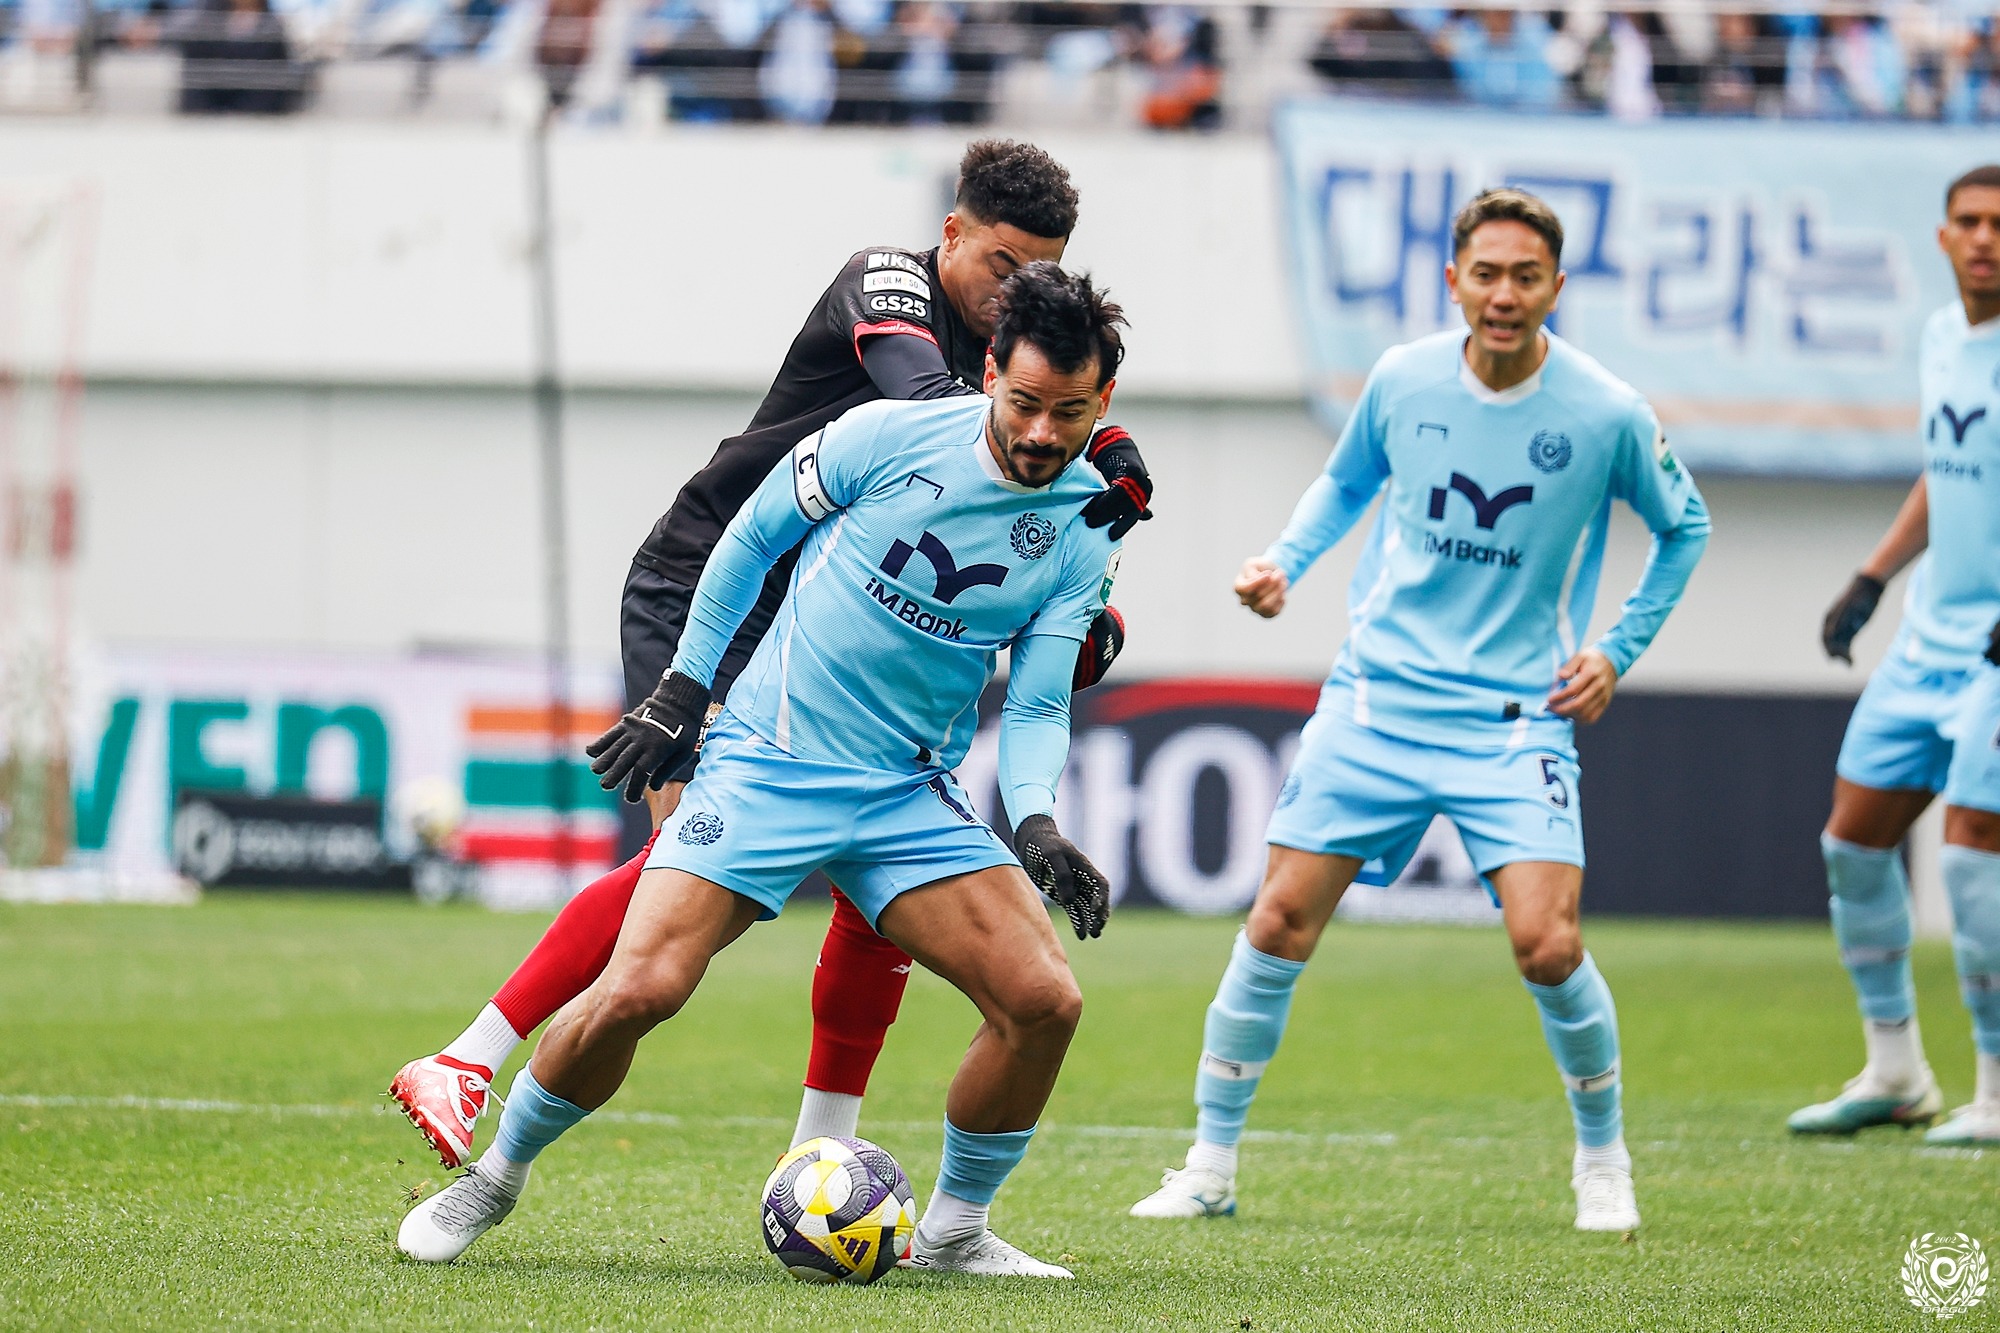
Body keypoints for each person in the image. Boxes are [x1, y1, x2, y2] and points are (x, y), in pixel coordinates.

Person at [388, 139, 1151, 1173]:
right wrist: (1096, 440)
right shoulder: (888, 285)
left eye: (1040, 272)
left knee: (876, 879)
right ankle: (467, 1057)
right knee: (681, 866)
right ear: (951, 234)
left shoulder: (1017, 364)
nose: (1014, 289)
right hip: (710, 579)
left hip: (812, 600)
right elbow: (932, 408)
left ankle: (820, 1151)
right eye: (1002, 264)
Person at [1127, 187, 1709, 1233]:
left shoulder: (1605, 412)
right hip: (1376, 702)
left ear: (1556, 288)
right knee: (1276, 920)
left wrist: (1615, 651)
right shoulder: (1402, 379)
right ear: (1453, 280)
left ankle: (1602, 1160)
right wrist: (1284, 562)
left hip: (1511, 721)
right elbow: (1344, 483)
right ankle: (1208, 1163)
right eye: (1485, 274)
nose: (1503, 294)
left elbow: (1686, 527)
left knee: (1547, 943)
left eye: (1524, 277)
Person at [1790, 165, 2000, 1146]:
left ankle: (1994, 1089)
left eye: (1999, 222)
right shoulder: (1941, 336)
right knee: (1854, 842)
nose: (1984, 238)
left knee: (1969, 854)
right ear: (1942, 236)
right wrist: (1872, 576)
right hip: (1930, 638)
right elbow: (1948, 468)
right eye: (1968, 221)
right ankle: (1895, 1070)